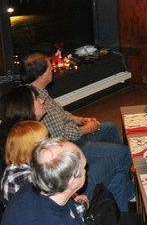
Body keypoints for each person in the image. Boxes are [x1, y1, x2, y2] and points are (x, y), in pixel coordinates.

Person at [0, 121, 147, 225]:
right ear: (32, 149)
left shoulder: (19, 170)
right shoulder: (29, 179)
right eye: (46, 140)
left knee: (134, 220)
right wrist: (82, 203)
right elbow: (62, 218)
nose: (53, 142)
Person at [20, 52, 134, 211]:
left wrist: (80, 119)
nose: (52, 69)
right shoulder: (35, 100)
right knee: (123, 153)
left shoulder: (38, 91)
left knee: (109, 128)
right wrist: (86, 129)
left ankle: (123, 179)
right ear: (42, 73)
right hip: (71, 145)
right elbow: (63, 135)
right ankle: (129, 194)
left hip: (72, 136)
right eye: (50, 67)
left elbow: (61, 113)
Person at [0, 85, 46, 176]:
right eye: (37, 99)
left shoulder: (26, 127)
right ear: (26, 107)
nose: (42, 101)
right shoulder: (22, 137)